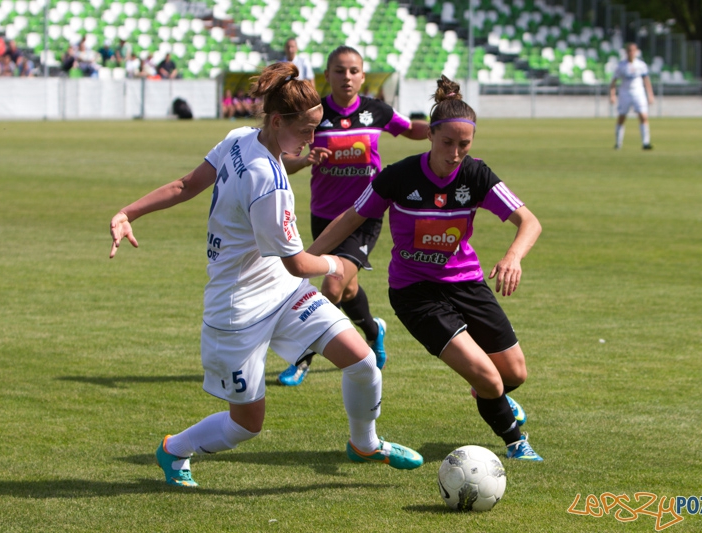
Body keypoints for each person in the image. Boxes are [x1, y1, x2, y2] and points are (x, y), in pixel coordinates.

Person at [109, 61, 423, 487]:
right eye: (306, 130)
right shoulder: (267, 181)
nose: (313, 139)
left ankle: (365, 444)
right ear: (277, 122)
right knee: (246, 426)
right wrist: (339, 264)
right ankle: (174, 449)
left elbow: (186, 185)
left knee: (364, 363)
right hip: (237, 309)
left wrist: (128, 212)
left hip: (284, 292)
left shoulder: (240, 138)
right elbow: (299, 263)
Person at [308, 76, 544, 461]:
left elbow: (529, 222)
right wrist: (304, 260)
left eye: (464, 145)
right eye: (447, 143)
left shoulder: (476, 175)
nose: (455, 153)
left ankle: (491, 394)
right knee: (488, 376)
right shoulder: (399, 177)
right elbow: (351, 218)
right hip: (414, 292)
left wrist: (513, 256)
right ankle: (517, 442)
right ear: (430, 135)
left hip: (466, 283)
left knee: (514, 374)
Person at [276, 45, 430, 387]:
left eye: (353, 71)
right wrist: (304, 160)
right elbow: (283, 159)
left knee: (332, 285)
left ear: (362, 76)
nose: (347, 77)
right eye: (339, 70)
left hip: (365, 215)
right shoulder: (314, 115)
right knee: (348, 290)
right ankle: (374, 331)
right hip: (324, 217)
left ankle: (302, 358)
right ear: (326, 76)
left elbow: (410, 129)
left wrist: (442, 128)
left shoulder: (377, 110)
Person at [610, 43, 654, 150]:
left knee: (643, 116)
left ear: (636, 52)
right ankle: (618, 143)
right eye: (629, 51)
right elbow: (614, 81)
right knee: (622, 117)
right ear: (626, 52)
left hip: (638, 92)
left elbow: (646, 80)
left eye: (633, 51)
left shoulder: (641, 65)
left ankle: (646, 143)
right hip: (625, 93)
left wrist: (650, 94)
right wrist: (612, 95)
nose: (631, 53)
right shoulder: (621, 66)